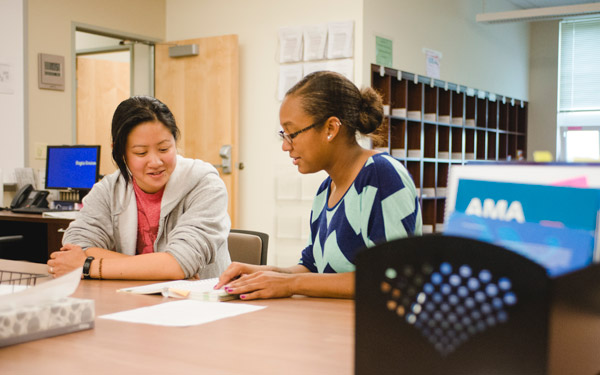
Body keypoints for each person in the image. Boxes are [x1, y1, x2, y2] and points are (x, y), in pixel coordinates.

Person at [216, 71, 422, 299]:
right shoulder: (326, 189)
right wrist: (265, 273)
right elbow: (312, 266)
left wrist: (291, 283)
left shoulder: (381, 176)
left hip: (375, 329)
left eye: (292, 133)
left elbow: (389, 278)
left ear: (331, 129)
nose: (286, 146)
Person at [47, 96, 231, 280]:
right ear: (120, 152)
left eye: (164, 149)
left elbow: (180, 263)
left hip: (200, 303)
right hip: (133, 298)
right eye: (141, 152)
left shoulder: (205, 184)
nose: (155, 162)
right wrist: (161, 268)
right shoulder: (109, 189)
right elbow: (76, 247)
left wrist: (88, 266)